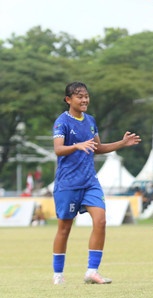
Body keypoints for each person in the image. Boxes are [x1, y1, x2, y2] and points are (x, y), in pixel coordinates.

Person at [52, 82, 141, 285]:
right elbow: (58, 149)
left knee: (100, 220)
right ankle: (58, 274)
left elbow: (97, 148)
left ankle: (92, 271)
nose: (84, 100)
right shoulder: (61, 122)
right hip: (68, 183)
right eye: (79, 96)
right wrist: (76, 145)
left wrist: (121, 143)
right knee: (64, 228)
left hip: (90, 181)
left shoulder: (90, 120)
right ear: (68, 100)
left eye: (86, 96)